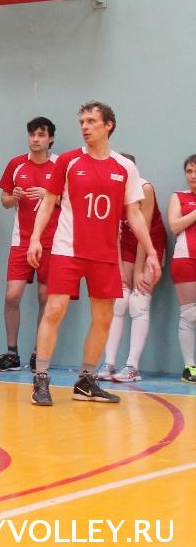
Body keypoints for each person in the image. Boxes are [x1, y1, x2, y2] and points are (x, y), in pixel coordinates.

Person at [27, 102, 161, 407]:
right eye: (82, 122)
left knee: (103, 318)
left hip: (104, 254)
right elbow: (48, 202)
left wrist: (152, 252)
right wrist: (35, 238)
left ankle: (86, 381)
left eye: (91, 121)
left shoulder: (125, 167)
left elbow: (134, 214)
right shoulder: (69, 160)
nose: (85, 127)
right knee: (54, 310)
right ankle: (41, 378)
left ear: (108, 125)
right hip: (67, 249)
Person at [0, 117, 59, 373]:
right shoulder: (16, 164)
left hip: (52, 242)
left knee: (45, 297)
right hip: (22, 241)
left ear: (50, 138)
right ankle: (12, 353)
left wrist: (50, 196)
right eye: (32, 135)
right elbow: (5, 200)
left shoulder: (60, 165)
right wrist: (14, 197)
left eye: (41, 135)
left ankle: (39, 352)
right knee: (12, 296)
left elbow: (71, 199)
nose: (35, 139)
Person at [96, 154, 167, 382]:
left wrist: (137, 270)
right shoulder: (110, 189)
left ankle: (132, 367)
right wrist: (118, 267)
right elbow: (113, 233)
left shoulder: (145, 189)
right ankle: (108, 363)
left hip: (149, 243)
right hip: (125, 244)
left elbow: (142, 230)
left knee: (139, 301)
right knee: (119, 300)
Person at [167, 154, 196, 384]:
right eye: (189, 171)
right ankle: (190, 368)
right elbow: (175, 225)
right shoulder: (179, 197)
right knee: (188, 314)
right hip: (185, 259)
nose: (193, 176)